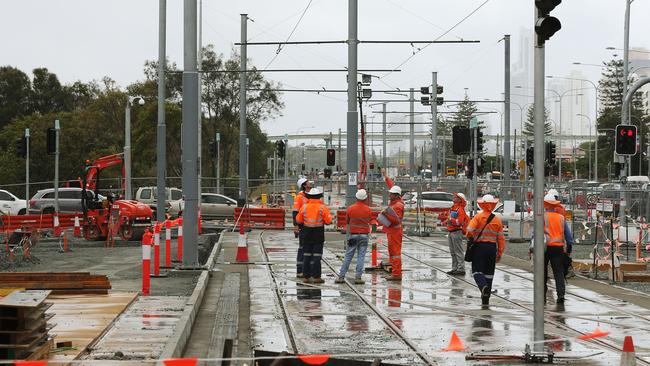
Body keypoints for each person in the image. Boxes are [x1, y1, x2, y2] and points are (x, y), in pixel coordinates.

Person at [466, 194, 505, 306]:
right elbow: (501, 239)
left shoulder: (478, 217)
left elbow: (469, 231)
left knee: (477, 271)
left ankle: (483, 287)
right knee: (489, 273)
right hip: (492, 248)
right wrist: (500, 252)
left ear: (482, 205)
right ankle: (486, 298)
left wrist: (471, 238)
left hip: (479, 248)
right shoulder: (497, 220)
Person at [535, 193, 574, 304]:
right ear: (555, 205)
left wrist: (532, 248)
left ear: (545, 205)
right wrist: (569, 248)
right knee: (558, 272)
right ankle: (561, 294)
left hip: (544, 248)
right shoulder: (561, 218)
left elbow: (536, 233)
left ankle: (542, 295)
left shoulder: (541, 217)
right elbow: (569, 237)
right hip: (558, 248)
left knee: (542, 272)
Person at [296, 187, 333, 284]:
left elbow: (298, 220)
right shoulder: (323, 208)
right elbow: (329, 221)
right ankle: (316, 277)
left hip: (306, 234)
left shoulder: (304, 207)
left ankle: (306, 277)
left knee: (306, 255)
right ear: (319, 197)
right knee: (317, 256)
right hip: (318, 234)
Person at [336, 189, 372, 284]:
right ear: (365, 198)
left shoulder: (351, 208)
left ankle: (341, 277)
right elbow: (369, 220)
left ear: (356, 197)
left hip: (353, 235)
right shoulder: (368, 209)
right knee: (361, 256)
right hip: (364, 235)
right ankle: (358, 278)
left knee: (348, 256)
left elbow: (347, 221)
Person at [379, 170, 404, 281]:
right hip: (392, 231)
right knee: (392, 252)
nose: (389, 195)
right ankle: (394, 272)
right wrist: (386, 177)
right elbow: (393, 186)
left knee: (395, 253)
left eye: (391, 194)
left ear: (396, 195)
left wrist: (385, 214)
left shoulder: (398, 205)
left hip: (395, 231)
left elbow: (396, 220)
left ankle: (396, 274)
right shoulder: (396, 201)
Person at [447, 192, 470, 275]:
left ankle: (461, 268)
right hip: (451, 232)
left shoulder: (460, 210)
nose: (454, 197)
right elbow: (449, 218)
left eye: (456, 197)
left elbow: (459, 222)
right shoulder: (453, 208)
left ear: (460, 199)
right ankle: (455, 268)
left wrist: (450, 220)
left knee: (458, 251)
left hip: (456, 232)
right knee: (453, 252)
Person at [293, 178, 311, 278]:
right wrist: (296, 225)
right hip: (302, 226)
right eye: (308, 182)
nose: (310, 183)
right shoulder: (299, 197)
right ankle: (300, 270)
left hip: (309, 226)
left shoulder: (309, 196)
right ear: (304, 185)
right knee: (302, 248)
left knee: (308, 248)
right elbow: (295, 212)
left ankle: (306, 270)